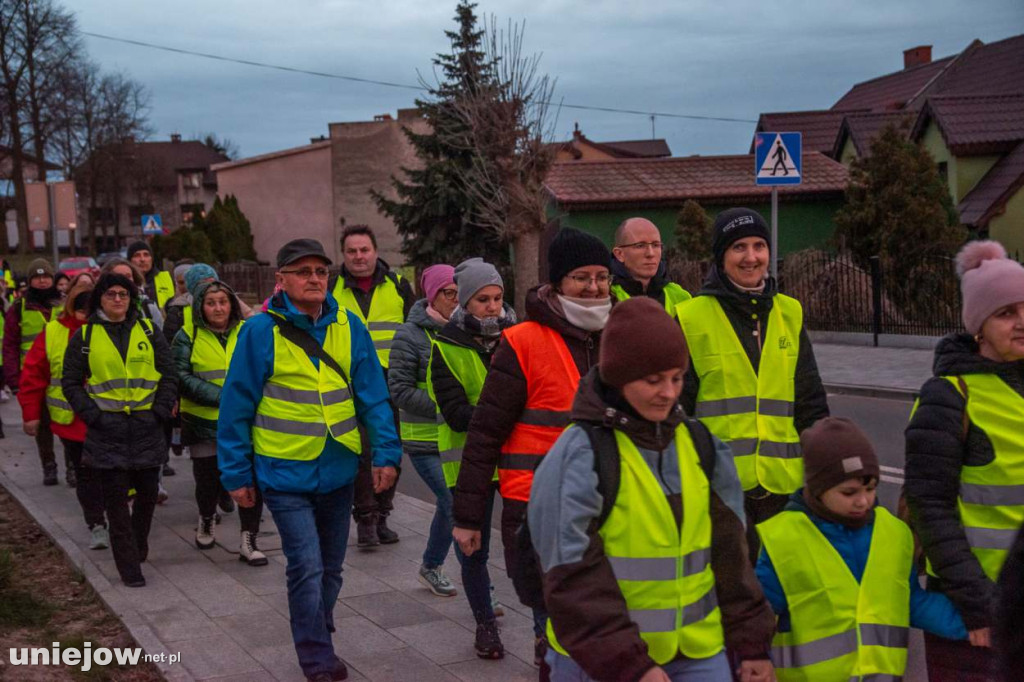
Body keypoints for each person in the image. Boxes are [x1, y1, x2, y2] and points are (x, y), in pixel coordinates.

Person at [530, 297, 776, 682]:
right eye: (653, 380)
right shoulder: (580, 454)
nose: (668, 392)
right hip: (602, 661)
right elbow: (572, 576)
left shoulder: (702, 445)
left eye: (677, 377)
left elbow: (732, 554)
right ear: (619, 377)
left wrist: (752, 644)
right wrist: (630, 664)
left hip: (697, 652)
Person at [218, 238, 401, 682]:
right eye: (303, 272)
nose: (315, 279)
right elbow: (236, 406)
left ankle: (316, 621)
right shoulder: (260, 332)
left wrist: (386, 452)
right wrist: (235, 472)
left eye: (321, 271)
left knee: (333, 568)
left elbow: (373, 397)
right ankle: (317, 656)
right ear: (281, 280)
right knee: (306, 564)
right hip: (283, 472)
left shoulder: (348, 325)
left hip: (339, 468)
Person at [453, 227, 613, 668]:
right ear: (558, 281)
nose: (594, 287)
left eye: (602, 277)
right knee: (553, 627)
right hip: (538, 507)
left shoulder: (619, 335)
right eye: (582, 276)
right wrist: (468, 518)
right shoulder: (522, 341)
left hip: (611, 503)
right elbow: (485, 433)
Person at [757, 417, 966, 681]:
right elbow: (759, 613)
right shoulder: (784, 537)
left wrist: (974, 621)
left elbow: (910, 601)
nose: (863, 500)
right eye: (849, 492)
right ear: (818, 489)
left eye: (870, 488)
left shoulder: (894, 533)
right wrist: (749, 656)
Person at [677, 207, 829, 562]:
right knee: (733, 597)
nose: (751, 257)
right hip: (720, 490)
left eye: (759, 246)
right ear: (721, 257)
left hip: (784, 489)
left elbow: (810, 402)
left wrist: (824, 472)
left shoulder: (789, 312)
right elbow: (677, 411)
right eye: (738, 248)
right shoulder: (690, 317)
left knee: (783, 592)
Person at [905, 240, 1024, 681]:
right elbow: (930, 509)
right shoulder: (950, 397)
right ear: (978, 325)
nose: (1021, 322)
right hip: (976, 613)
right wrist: (978, 606)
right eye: (1005, 313)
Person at [62, 273, 177, 587]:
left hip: (146, 427)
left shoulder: (149, 331)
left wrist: (160, 411)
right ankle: (129, 568)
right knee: (116, 504)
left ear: (131, 298)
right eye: (110, 294)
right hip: (107, 431)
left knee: (148, 496)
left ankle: (138, 545)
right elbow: (70, 382)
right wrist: (93, 416)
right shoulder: (85, 337)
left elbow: (169, 374)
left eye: (123, 294)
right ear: (100, 297)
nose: (117, 299)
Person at [429, 259, 517, 658]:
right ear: (465, 301)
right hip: (466, 465)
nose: (493, 307)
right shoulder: (444, 347)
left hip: (517, 461)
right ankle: (485, 626)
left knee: (526, 547)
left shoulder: (517, 338)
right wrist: (505, 412)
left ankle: (541, 632)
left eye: (498, 298)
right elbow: (456, 413)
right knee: (473, 548)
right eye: (483, 299)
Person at [329, 224, 415, 547]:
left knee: (389, 446)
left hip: (392, 382)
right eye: (351, 251)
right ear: (344, 255)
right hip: (348, 383)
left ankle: (383, 514)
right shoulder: (332, 287)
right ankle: (365, 518)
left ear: (375, 251)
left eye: (364, 250)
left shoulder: (397, 285)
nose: (358, 256)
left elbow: (413, 330)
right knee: (362, 451)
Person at [173, 278, 265, 564]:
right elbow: (180, 376)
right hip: (203, 422)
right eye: (211, 303)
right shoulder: (186, 335)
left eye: (223, 302)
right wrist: (223, 397)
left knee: (251, 480)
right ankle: (206, 517)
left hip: (245, 423)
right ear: (200, 306)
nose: (217, 308)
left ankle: (249, 540)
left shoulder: (247, 331)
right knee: (208, 480)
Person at [18, 274, 108, 549]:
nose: (84, 315)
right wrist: (31, 414)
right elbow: (34, 374)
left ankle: (116, 517)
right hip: (71, 422)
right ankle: (96, 524)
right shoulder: (54, 332)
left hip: (109, 418)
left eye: (89, 309)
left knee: (112, 474)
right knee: (86, 476)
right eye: (80, 309)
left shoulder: (111, 328)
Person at [388, 264, 458, 595]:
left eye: (460, 292)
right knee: (451, 501)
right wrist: (446, 406)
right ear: (433, 295)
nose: (456, 300)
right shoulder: (410, 334)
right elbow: (399, 389)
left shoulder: (464, 330)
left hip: (457, 438)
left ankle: (435, 565)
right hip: (424, 441)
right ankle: (434, 566)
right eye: (448, 293)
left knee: (459, 504)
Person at [3, 259, 63, 484]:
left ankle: (73, 467)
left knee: (67, 421)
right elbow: (9, 345)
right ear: (29, 281)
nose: (42, 280)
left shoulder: (64, 304)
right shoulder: (19, 308)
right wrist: (14, 379)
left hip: (61, 374)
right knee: (42, 423)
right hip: (33, 377)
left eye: (46, 276)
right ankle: (49, 464)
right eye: (37, 277)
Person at [610, 217, 691, 318]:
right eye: (640, 246)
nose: (650, 253)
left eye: (656, 245)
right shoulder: (608, 296)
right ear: (619, 254)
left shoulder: (680, 296)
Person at [101, 258, 164, 329]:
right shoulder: (98, 310)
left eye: (128, 276)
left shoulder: (148, 308)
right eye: (119, 276)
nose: (124, 280)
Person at [127, 240, 175, 310]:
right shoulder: (125, 280)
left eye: (146, 255)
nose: (142, 259)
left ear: (152, 259)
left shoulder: (166, 278)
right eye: (137, 255)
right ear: (129, 260)